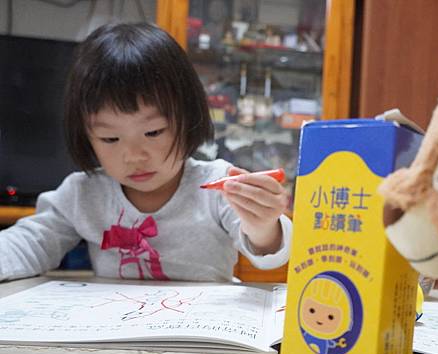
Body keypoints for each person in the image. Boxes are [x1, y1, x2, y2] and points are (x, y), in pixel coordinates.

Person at [0, 22, 292, 282]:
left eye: (153, 132)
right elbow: (32, 242)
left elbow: (269, 253)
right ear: (86, 137)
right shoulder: (83, 193)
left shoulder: (217, 184)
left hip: (199, 337)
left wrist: (263, 224)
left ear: (188, 120)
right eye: (110, 138)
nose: (134, 156)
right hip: (119, 335)